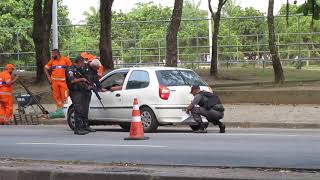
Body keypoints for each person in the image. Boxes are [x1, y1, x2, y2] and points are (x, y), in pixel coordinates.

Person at [65, 56, 91, 135]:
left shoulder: (78, 69)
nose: (83, 65)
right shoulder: (70, 69)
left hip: (81, 91)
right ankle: (77, 129)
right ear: (79, 62)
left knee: (82, 109)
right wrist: (82, 79)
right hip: (75, 92)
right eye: (82, 63)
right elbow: (72, 80)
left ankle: (82, 127)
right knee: (78, 109)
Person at [79, 58, 106, 133]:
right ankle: (80, 126)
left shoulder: (94, 70)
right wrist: (86, 86)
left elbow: (96, 80)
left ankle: (86, 125)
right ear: (93, 66)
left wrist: (100, 88)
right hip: (81, 91)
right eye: (97, 68)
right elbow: (79, 79)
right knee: (80, 109)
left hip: (88, 91)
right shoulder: (83, 67)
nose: (97, 69)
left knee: (86, 109)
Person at [44, 49, 72, 118]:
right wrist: (48, 77)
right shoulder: (52, 61)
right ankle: (59, 111)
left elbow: (71, 68)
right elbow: (45, 68)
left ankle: (66, 111)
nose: (52, 55)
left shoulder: (65, 60)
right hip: (54, 82)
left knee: (65, 97)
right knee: (57, 97)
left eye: (53, 54)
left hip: (63, 82)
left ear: (57, 54)